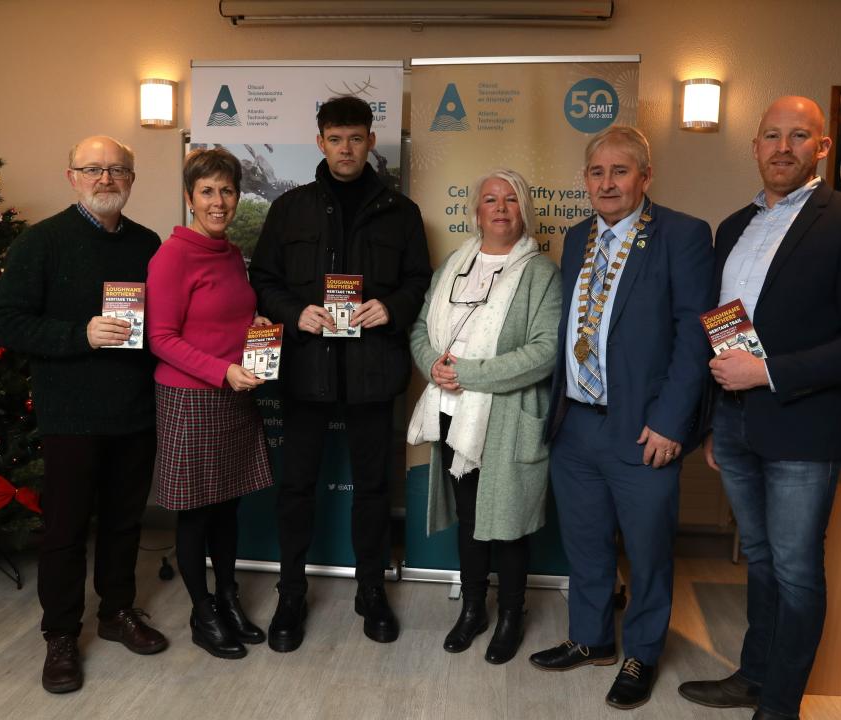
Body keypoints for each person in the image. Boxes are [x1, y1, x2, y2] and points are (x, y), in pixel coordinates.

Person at [678, 96, 841, 720]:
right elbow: (725, 326)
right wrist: (721, 415)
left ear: (821, 147)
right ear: (754, 147)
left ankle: (780, 707)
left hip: (804, 426)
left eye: (799, 135)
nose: (782, 146)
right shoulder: (732, 226)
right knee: (761, 558)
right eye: (771, 135)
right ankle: (753, 675)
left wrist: (767, 373)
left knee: (797, 571)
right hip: (738, 422)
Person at [529, 125, 714, 710]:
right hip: (576, 420)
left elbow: (693, 336)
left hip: (643, 424)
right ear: (585, 180)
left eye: (620, 171)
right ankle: (590, 640)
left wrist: (673, 423)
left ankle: (642, 652)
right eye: (597, 172)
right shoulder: (578, 233)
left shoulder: (682, 235)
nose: (607, 183)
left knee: (649, 547)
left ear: (645, 177)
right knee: (584, 543)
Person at [0, 135, 167, 694]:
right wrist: (80, 333)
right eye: (94, 169)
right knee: (65, 531)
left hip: (135, 408)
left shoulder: (147, 243)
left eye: (118, 170)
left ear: (132, 180)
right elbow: (4, 324)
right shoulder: (42, 243)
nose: (106, 179)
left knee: (124, 522)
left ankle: (116, 613)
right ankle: (60, 635)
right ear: (72, 177)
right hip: (70, 414)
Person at [248, 96, 431, 651]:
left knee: (373, 489)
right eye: (335, 138)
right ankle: (291, 594)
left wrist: (392, 308)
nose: (346, 148)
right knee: (296, 488)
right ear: (321, 141)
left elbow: (418, 279)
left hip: (373, 372)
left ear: (371, 142)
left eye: (355, 138)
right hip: (306, 370)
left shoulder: (401, 212)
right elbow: (264, 278)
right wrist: (292, 312)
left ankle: (370, 591)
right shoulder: (291, 208)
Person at [407, 169, 561, 664]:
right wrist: (431, 363)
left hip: (508, 417)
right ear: (476, 211)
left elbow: (544, 352)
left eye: (510, 199)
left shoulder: (542, 273)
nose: (499, 208)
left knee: (508, 521)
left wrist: (469, 373)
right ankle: (473, 608)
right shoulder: (454, 263)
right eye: (490, 199)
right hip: (453, 413)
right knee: (471, 519)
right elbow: (420, 327)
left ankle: (512, 615)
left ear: (524, 210)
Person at [146, 148, 273, 660]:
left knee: (228, 507)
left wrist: (256, 329)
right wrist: (222, 370)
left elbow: (222, 319)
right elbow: (160, 337)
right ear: (189, 197)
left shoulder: (229, 254)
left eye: (227, 191)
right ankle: (202, 611)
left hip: (235, 394)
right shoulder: (173, 255)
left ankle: (227, 597)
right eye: (207, 191)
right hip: (191, 397)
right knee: (197, 513)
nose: (218, 202)